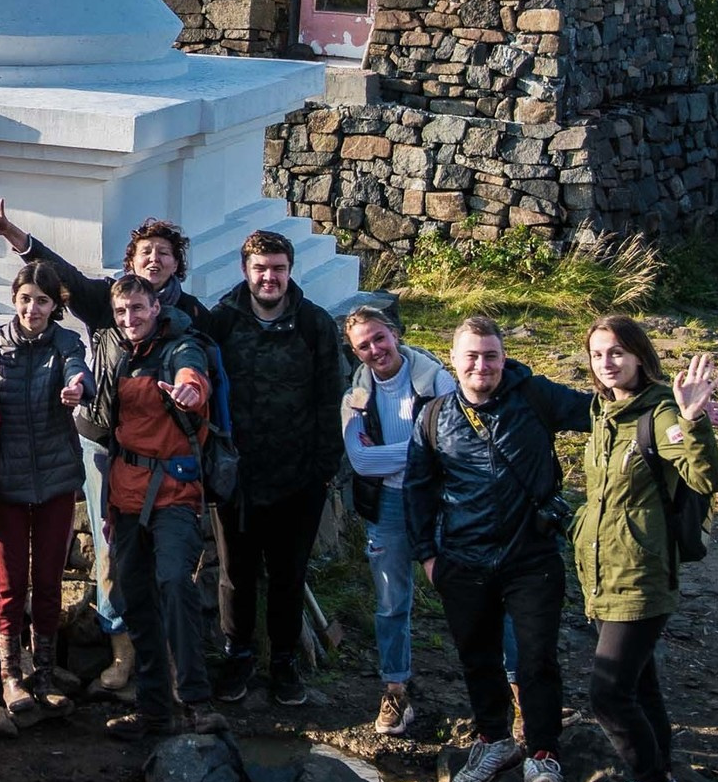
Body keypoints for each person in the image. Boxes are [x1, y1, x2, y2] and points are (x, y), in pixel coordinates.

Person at [0, 203, 207, 694]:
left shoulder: (190, 317)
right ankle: (121, 652)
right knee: (112, 555)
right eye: (145, 251)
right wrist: (16, 236)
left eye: (164, 253)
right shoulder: (109, 300)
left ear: (177, 264)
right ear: (130, 260)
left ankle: (167, 662)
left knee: (165, 565)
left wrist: (192, 387)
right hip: (106, 443)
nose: (153, 260)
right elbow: (60, 277)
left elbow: (198, 365)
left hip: (166, 456)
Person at [404, 313, 592, 782]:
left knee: (536, 660)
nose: (481, 366)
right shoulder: (434, 416)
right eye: (471, 357)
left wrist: (678, 411)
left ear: (504, 358)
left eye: (490, 356)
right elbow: (418, 488)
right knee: (477, 657)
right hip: (463, 559)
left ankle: (544, 752)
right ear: (454, 360)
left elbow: (602, 412)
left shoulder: (536, 397)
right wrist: (428, 555)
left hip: (531, 556)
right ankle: (493, 739)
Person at [576, 315, 718, 782]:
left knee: (609, 693)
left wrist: (694, 420)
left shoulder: (660, 414)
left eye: (617, 352)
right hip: (602, 571)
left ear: (639, 355)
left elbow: (703, 477)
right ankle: (657, 781)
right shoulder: (604, 410)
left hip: (639, 576)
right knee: (641, 685)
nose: (607, 363)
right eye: (597, 354)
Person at [194, 230, 346, 708]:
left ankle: (284, 662)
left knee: (287, 573)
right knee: (235, 574)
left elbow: (330, 398)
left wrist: (323, 467)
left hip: (298, 477)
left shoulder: (315, 325)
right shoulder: (221, 321)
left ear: (289, 271)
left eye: (278, 268)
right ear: (245, 271)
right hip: (236, 475)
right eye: (261, 268)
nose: (269, 277)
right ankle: (237, 655)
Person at [74, 272, 227, 739]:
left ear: (155, 307)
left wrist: (189, 389)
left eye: (137, 310)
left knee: (176, 583)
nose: (129, 319)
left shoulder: (181, 345)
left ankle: (196, 703)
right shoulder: (118, 356)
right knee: (135, 598)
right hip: (124, 492)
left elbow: (191, 374)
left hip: (173, 493)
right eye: (121, 313)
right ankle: (153, 710)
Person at [339, 305, 456, 738]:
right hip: (388, 504)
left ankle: (506, 688)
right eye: (363, 346)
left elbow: (450, 444)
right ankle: (395, 689)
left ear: (395, 334)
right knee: (390, 600)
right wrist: (418, 450)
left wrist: (399, 456)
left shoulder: (437, 381)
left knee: (469, 590)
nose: (374, 350)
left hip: (438, 501)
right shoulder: (356, 395)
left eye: (379, 338)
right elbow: (359, 458)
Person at [0, 259, 92, 717]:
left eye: (42, 300)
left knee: (48, 580)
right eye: (25, 299)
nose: (33, 308)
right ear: (14, 300)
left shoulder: (66, 342)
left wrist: (76, 387)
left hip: (54, 479)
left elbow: (78, 370)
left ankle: (44, 671)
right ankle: (11, 674)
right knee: (9, 583)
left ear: (55, 305)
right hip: (5, 479)